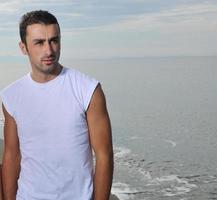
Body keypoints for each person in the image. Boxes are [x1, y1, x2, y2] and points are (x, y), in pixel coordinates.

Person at [0, 10, 113, 200]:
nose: (49, 50)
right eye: (39, 42)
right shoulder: (11, 95)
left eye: (54, 40)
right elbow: (12, 155)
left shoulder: (88, 90)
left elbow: (104, 156)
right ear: (23, 47)